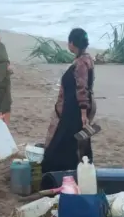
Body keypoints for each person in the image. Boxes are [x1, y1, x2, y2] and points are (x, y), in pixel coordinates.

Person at [41, 28, 96, 174]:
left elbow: (82, 87)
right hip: (73, 108)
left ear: (72, 43)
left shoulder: (81, 64)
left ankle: (58, 172)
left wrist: (83, 113)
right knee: (76, 142)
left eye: (69, 41)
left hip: (75, 110)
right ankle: (77, 170)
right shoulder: (86, 59)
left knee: (63, 143)